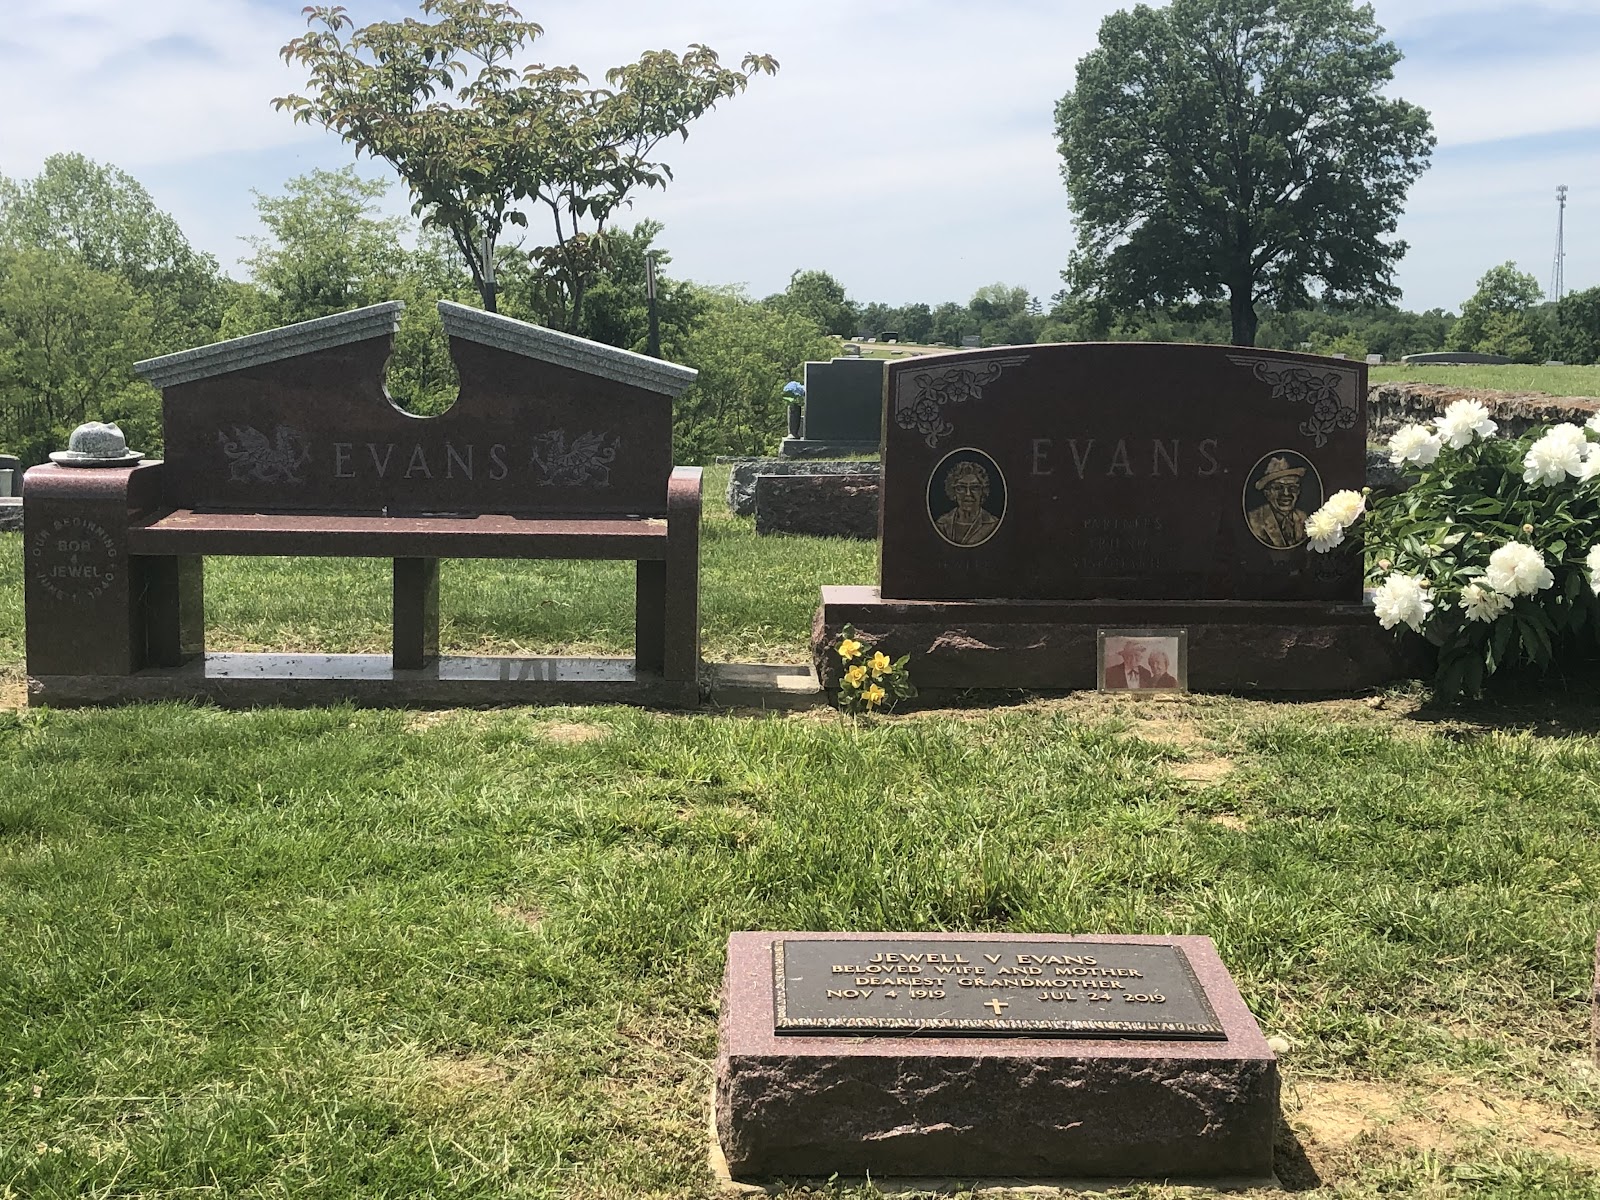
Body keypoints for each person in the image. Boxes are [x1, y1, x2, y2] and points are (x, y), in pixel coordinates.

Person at [1246, 456, 1309, 548]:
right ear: (1267, 493)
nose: (1286, 493)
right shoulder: (1254, 520)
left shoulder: (1304, 518)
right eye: (1278, 488)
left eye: (1292, 488)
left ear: (1298, 491)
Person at [933, 460, 1001, 546]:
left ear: (982, 491)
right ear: (953, 492)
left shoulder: (994, 525)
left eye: (975, 487)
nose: (968, 493)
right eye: (961, 487)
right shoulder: (941, 524)